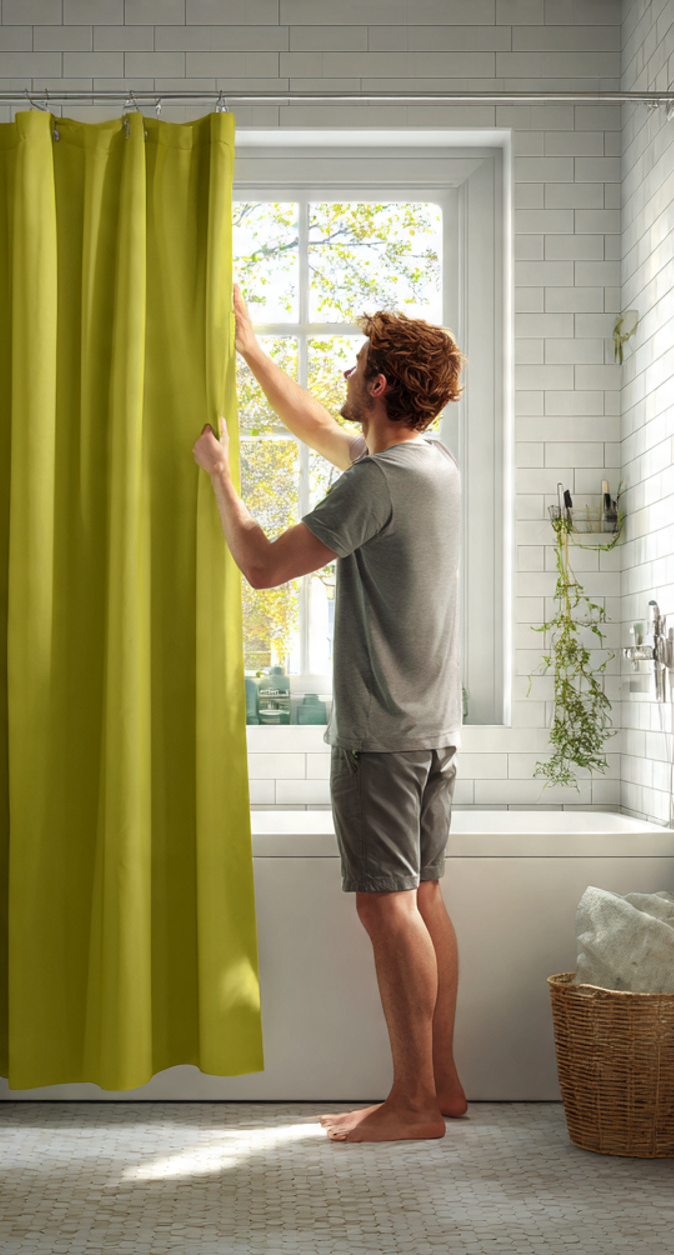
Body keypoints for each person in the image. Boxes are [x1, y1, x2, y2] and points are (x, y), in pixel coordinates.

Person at [193, 285, 466, 1144]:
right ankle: (444, 1083)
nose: (344, 375)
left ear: (380, 386)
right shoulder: (429, 466)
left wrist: (220, 477)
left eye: (354, 367)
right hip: (431, 732)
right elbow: (317, 425)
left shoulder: (374, 484)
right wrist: (250, 351)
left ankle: (414, 1103)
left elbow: (265, 567)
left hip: (380, 739)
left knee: (386, 909)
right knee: (420, 900)